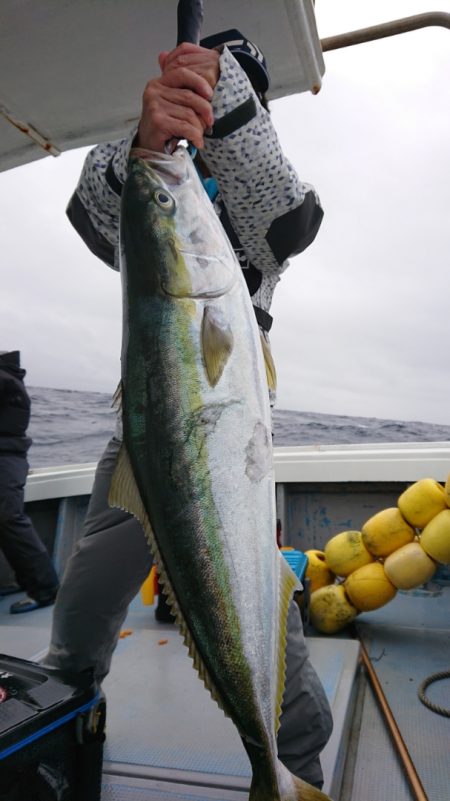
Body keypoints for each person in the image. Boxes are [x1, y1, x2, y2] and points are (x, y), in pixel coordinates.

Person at [44, 31, 332, 789]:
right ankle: (60, 735)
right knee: (80, 621)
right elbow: (92, 212)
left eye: (238, 91)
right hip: (142, 441)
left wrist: (223, 91)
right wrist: (146, 141)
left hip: (230, 450)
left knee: (267, 633)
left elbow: (288, 213)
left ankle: (290, 763)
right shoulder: (146, 180)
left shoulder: (260, 207)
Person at [0, 350, 59, 613]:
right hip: (8, 458)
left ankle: (46, 589)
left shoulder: (5, 379)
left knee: (10, 520)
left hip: (5, 460)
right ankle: (23, 581)